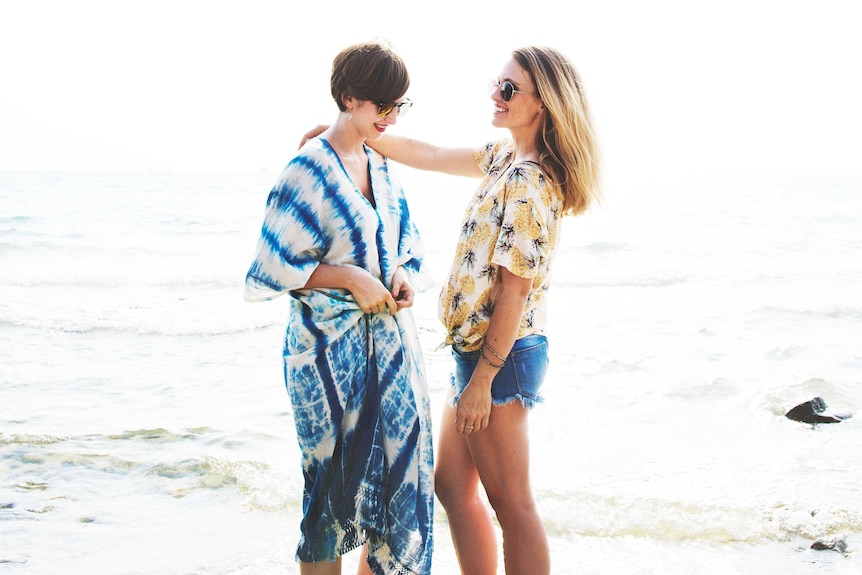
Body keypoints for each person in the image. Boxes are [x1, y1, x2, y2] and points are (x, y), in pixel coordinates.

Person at [302, 45, 601, 575]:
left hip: (499, 360)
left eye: (510, 90)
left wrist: (483, 380)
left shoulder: (530, 183)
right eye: (498, 83)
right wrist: (345, 134)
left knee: (513, 504)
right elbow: (431, 153)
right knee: (449, 487)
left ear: (543, 105)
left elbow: (515, 293)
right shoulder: (505, 159)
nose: (496, 94)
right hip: (477, 355)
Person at [245, 40, 435, 575]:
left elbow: (408, 244)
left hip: (390, 349)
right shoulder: (306, 169)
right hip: (324, 354)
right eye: (384, 106)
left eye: (401, 106)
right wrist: (350, 277)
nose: (392, 117)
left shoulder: (381, 162)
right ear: (350, 98)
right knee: (328, 496)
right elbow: (269, 266)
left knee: (395, 484)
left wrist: (400, 275)